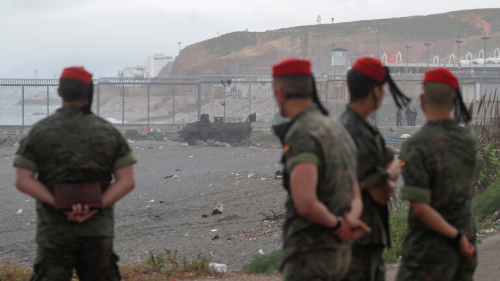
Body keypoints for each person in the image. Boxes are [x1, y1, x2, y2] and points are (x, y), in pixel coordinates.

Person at [13, 66, 137, 281]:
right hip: (97, 229)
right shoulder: (108, 131)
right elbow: (126, 181)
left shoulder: (40, 131)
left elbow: (23, 180)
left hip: (55, 230)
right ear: (89, 92)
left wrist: (59, 203)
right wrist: (94, 206)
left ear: (59, 92)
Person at [272, 58, 370, 281]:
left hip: (310, 256)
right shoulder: (336, 128)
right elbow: (355, 190)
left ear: (279, 92)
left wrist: (337, 225)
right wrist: (350, 220)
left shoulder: (303, 133)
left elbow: (306, 203)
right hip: (340, 255)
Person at [396, 68, 477, 281]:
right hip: (466, 239)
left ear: (422, 99)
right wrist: (461, 236)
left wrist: (455, 237)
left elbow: (421, 208)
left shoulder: (416, 146)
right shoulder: (468, 140)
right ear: (453, 101)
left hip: (428, 249)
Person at [339, 57, 411, 281]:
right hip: (362, 239)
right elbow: (382, 193)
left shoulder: (344, 127)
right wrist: (392, 173)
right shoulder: (362, 134)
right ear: (375, 91)